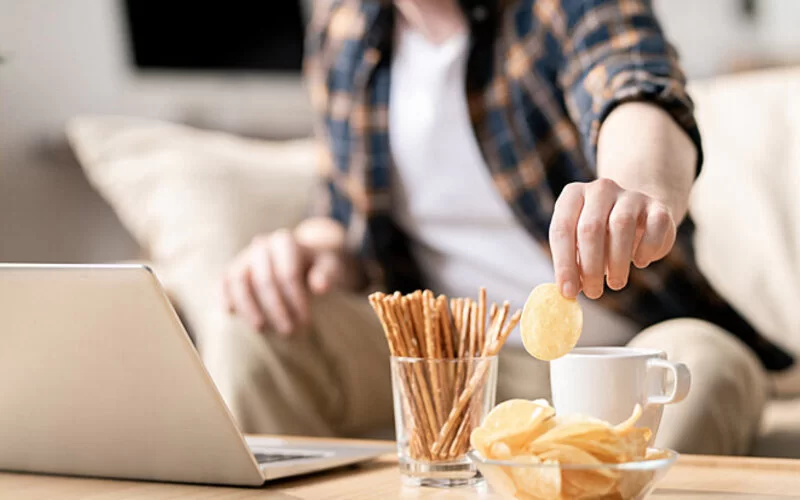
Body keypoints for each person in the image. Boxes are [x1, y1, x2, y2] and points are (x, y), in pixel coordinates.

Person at [218, 0, 794, 455]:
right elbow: (345, 220)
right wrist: (308, 251)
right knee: (262, 331)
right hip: (450, 361)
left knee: (702, 368)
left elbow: (634, 85)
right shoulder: (342, 25)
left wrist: (633, 189)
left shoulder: (559, 7)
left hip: (624, 347)